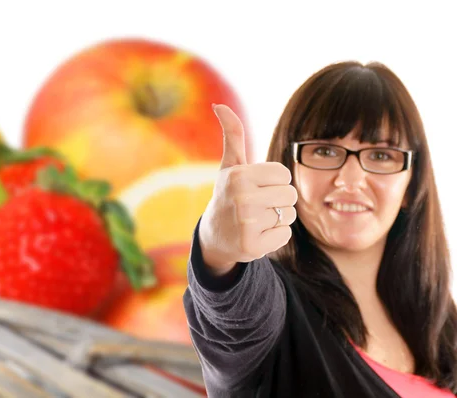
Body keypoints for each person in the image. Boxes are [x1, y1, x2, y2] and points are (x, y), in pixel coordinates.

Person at [183, 61, 457, 397]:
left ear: (412, 184)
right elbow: (234, 312)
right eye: (324, 151)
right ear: (288, 169)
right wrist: (218, 250)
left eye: (382, 155)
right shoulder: (277, 310)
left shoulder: (445, 328)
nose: (351, 181)